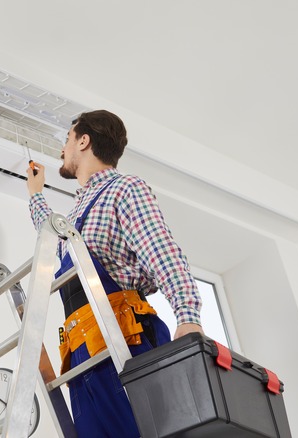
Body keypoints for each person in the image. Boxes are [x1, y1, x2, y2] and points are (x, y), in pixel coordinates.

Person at [26, 110, 203, 438]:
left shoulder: (125, 189)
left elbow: (161, 252)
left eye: (66, 139)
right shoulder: (79, 212)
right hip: (82, 353)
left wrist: (188, 315)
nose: (62, 150)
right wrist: (36, 195)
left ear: (83, 140)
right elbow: (54, 239)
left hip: (123, 341)